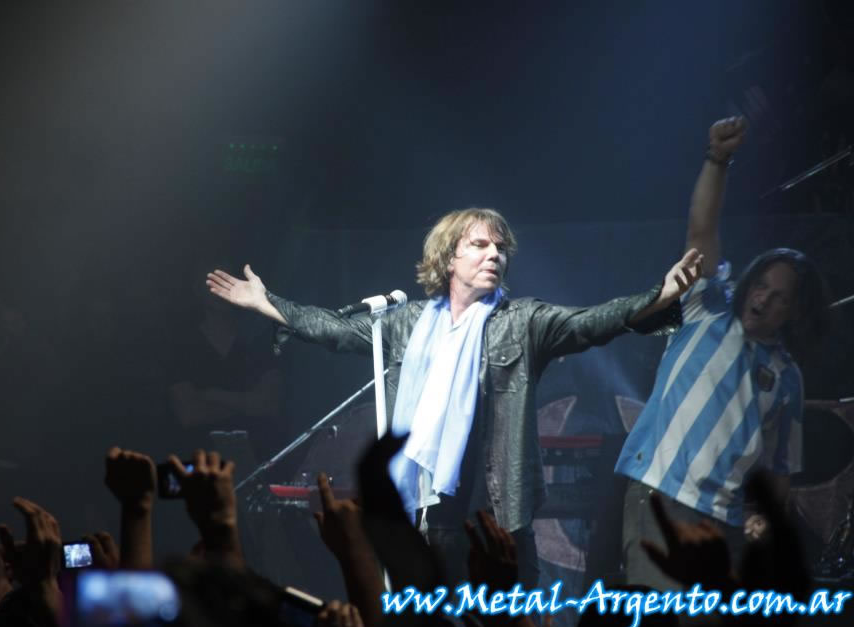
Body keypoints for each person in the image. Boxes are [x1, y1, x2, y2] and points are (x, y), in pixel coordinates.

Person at [207, 207, 702, 589]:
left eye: (500, 248)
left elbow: (591, 322)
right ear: (448, 258)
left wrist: (658, 297)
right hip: (425, 515)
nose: (494, 255)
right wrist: (266, 303)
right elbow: (334, 329)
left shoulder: (522, 321)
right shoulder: (406, 324)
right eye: (480, 245)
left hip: (497, 516)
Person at [615, 117, 831, 591]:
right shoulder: (708, 309)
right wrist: (718, 159)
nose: (764, 299)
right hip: (661, 495)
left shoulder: (787, 376)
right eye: (762, 285)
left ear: (794, 312)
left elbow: (780, 467)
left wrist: (766, 520)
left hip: (724, 521)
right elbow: (701, 232)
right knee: (661, 619)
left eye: (780, 297)